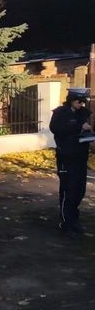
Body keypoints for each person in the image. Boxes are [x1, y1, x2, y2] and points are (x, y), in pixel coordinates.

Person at [49, 89, 92, 234]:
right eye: (79, 101)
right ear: (71, 99)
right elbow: (57, 129)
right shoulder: (61, 113)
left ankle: (74, 220)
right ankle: (66, 222)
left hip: (80, 156)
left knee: (80, 190)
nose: (81, 104)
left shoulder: (83, 113)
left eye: (83, 102)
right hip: (66, 156)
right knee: (69, 189)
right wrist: (78, 127)